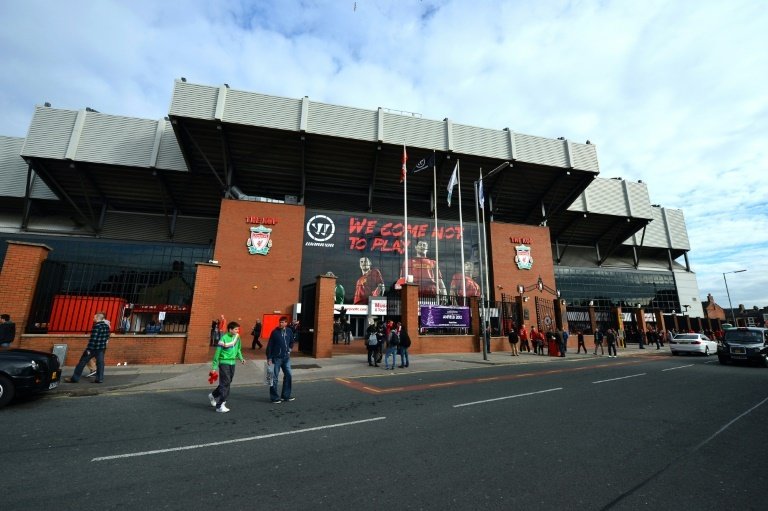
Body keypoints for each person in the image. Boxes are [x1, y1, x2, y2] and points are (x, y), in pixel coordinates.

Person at [207, 321, 245, 413]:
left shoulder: (237, 337)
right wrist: (214, 367)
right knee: (225, 383)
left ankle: (213, 395)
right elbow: (217, 354)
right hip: (224, 363)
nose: (237, 330)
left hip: (233, 363)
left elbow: (238, 349)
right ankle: (220, 405)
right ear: (230, 329)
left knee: (227, 382)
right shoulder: (223, 338)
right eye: (236, 329)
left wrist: (241, 358)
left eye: (238, 329)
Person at [64, 311, 111, 384]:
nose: (93, 318)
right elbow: (107, 337)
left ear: (97, 318)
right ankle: (99, 379)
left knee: (81, 363)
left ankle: (75, 378)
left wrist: (89, 349)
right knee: (100, 364)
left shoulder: (96, 326)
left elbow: (93, 339)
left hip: (92, 349)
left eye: (94, 317)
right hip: (101, 349)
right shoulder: (106, 326)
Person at [266, 316, 295, 403]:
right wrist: (269, 357)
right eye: (280, 322)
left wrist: (289, 349)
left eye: (283, 322)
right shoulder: (275, 332)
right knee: (273, 378)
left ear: (286, 323)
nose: (281, 324)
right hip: (276, 358)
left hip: (286, 358)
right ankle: (274, 397)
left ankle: (286, 396)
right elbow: (270, 345)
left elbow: (292, 341)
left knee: (288, 375)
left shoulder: (289, 331)